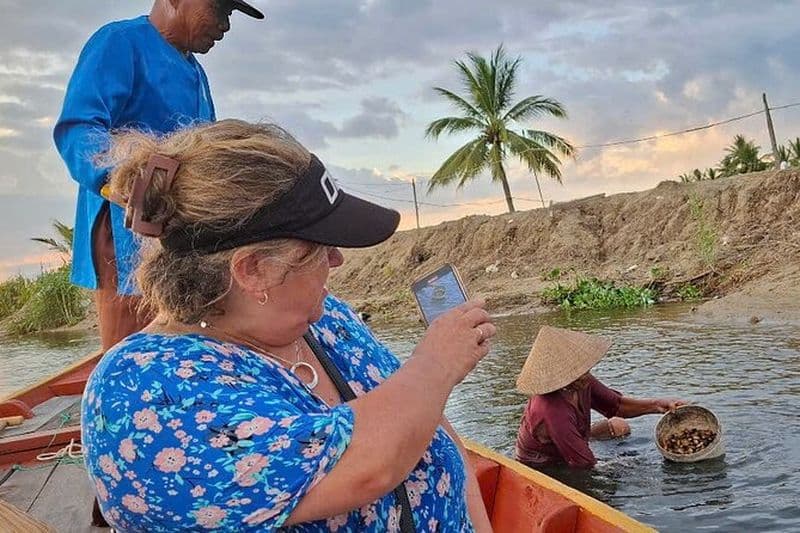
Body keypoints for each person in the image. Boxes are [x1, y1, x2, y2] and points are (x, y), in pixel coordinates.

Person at [81, 119, 496, 531]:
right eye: (320, 248)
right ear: (254, 270)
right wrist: (436, 364)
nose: (337, 260)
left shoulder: (324, 318)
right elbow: (364, 467)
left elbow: (429, 424)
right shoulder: (142, 390)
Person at [53, 0, 264, 353]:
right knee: (129, 348)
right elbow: (79, 127)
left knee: (178, 337)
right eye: (218, 10)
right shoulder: (120, 42)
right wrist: (118, 180)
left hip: (180, 229)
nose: (225, 26)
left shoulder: (196, 72)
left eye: (229, 15)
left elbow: (201, 148)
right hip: (126, 227)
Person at [514, 326, 685, 469]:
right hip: (543, 466)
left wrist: (657, 405)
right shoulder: (551, 410)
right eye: (578, 373)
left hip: (571, 437)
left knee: (620, 426)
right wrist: (623, 464)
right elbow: (583, 463)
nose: (586, 375)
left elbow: (617, 406)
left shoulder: (581, 381)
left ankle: (584, 440)